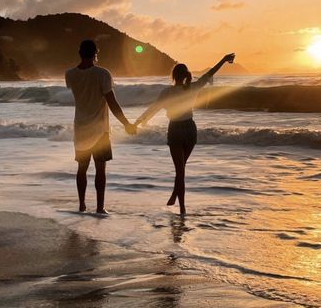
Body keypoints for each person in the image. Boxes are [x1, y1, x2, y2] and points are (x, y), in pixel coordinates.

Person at [135, 53, 235, 215]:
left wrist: (136, 123)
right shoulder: (193, 87)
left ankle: (182, 208)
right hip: (190, 129)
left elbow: (152, 109)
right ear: (186, 75)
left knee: (180, 170)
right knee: (181, 169)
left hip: (175, 130)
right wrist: (224, 60)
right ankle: (177, 197)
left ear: (173, 76)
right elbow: (210, 74)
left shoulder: (167, 92)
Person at [65, 39, 136, 214]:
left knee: (82, 168)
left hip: (80, 127)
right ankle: (99, 207)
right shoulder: (103, 74)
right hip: (99, 130)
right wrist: (126, 123)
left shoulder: (70, 74)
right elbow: (112, 102)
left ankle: (81, 205)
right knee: (100, 169)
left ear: (80, 53)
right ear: (96, 53)